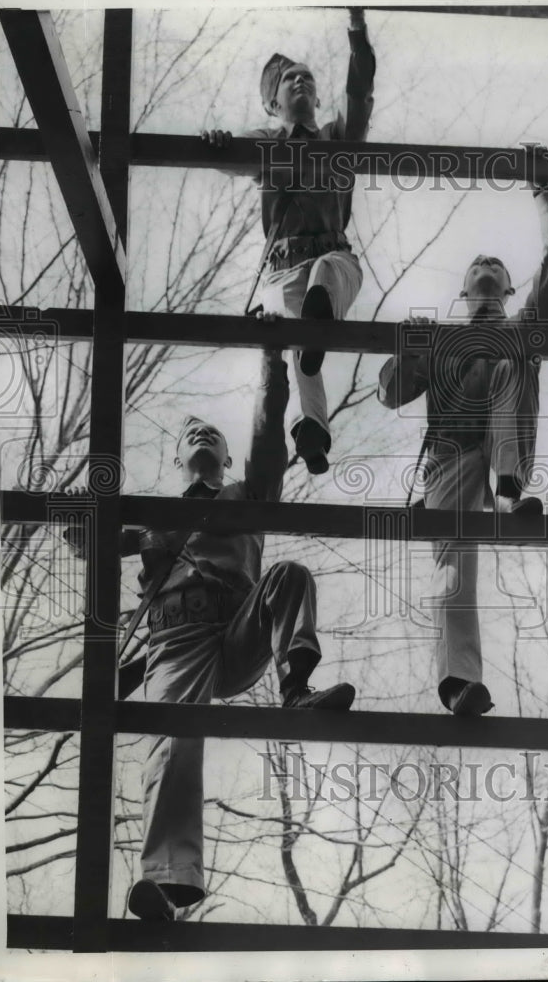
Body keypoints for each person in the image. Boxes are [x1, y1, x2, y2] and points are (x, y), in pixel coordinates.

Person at [64, 331, 355, 922]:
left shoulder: (247, 494)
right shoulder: (153, 521)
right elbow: (86, 540)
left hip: (238, 632)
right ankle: (169, 883)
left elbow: (269, 435)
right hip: (174, 644)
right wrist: (79, 514)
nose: (202, 435)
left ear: (225, 459)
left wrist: (272, 358)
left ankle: (295, 688)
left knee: (290, 575)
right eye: (190, 436)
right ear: (177, 461)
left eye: (213, 437)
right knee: (171, 744)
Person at [377, 185, 548, 718]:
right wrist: (410, 348)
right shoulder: (441, 340)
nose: (485, 264)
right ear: (463, 292)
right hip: (451, 458)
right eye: (475, 264)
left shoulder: (520, 322)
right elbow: (392, 392)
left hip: (503, 441)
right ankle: (459, 683)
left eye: (496, 264)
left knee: (517, 356)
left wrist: (543, 195)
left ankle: (510, 492)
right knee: (453, 562)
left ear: (510, 289)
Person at [202, 7, 375, 475]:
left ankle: (318, 316)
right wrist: (218, 143)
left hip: (333, 256)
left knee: (322, 283)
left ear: (319, 97)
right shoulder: (267, 144)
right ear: (273, 104)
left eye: (309, 79)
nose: (302, 83)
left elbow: (359, 93)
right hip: (283, 266)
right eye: (290, 80)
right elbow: (230, 158)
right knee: (295, 329)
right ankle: (311, 430)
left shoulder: (337, 136)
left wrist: (357, 32)